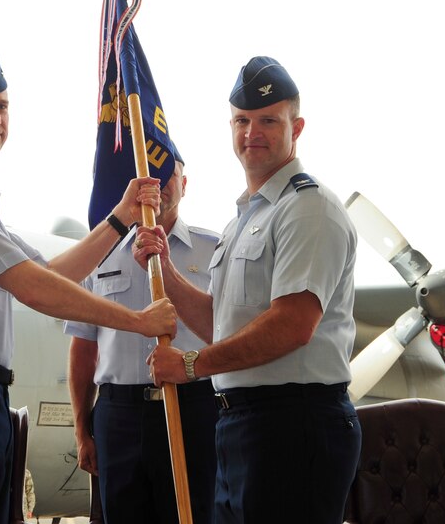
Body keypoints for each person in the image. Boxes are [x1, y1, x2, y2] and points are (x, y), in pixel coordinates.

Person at [0, 45, 177, 524]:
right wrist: (137, 321)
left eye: (2, 105)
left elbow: (53, 273)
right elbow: (34, 289)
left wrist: (121, 218)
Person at [138, 56, 362, 524]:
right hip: (243, 426)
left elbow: (293, 325)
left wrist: (190, 366)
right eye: (242, 121)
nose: (251, 133)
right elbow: (222, 325)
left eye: (267, 121)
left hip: (293, 424)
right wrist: (166, 271)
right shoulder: (245, 219)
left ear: (296, 128)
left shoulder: (308, 208)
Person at [65, 160, 219, 524]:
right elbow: (84, 347)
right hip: (119, 416)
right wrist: (81, 429)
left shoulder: (215, 250)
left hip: (194, 408)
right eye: (148, 174)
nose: (159, 183)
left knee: (194, 514)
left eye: (168, 174)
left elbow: (230, 332)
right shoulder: (100, 252)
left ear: (185, 183)